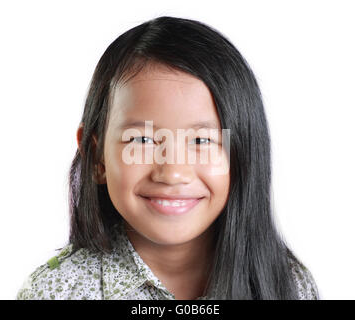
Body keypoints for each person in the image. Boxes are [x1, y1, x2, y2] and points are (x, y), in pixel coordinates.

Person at [16, 16, 319, 300]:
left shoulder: (291, 286)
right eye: (142, 140)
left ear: (244, 153)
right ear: (97, 156)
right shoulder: (56, 291)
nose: (172, 172)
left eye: (201, 140)